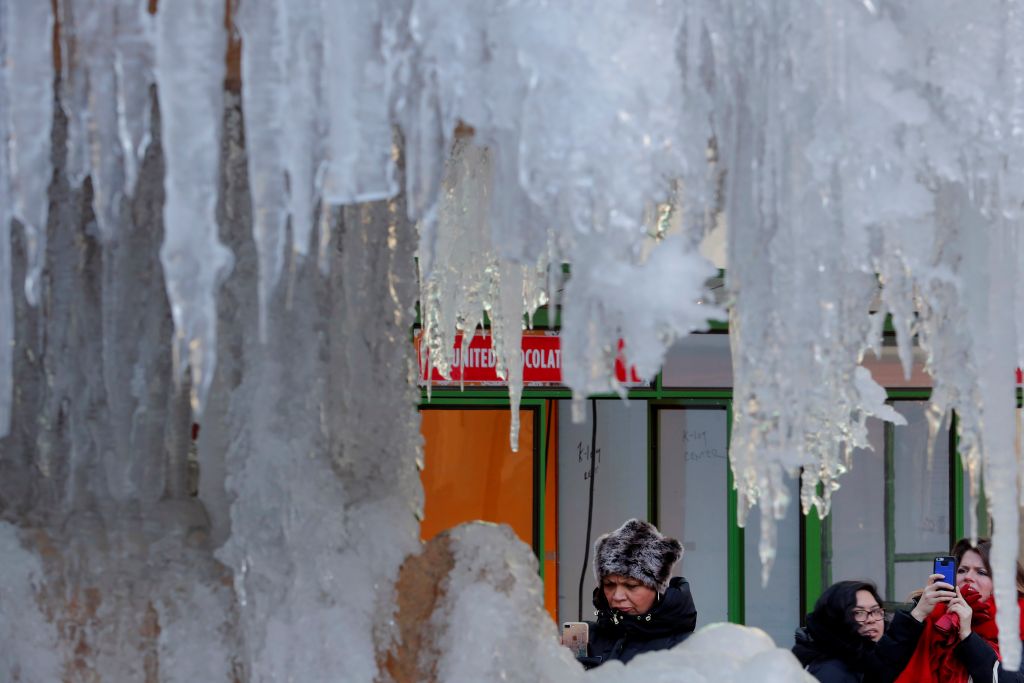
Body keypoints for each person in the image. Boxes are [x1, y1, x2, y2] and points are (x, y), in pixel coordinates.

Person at [895, 537, 1024, 683]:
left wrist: (968, 637)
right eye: (962, 570)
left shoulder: (1019, 623)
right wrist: (916, 616)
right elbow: (881, 670)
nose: (968, 577)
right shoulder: (928, 614)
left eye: (981, 572)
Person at [578, 518, 697, 668]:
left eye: (631, 585)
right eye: (609, 584)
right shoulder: (581, 636)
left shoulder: (686, 648)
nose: (617, 596)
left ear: (658, 588)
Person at [792, 579, 934, 682]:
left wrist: (918, 614)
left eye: (876, 611)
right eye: (858, 612)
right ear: (834, 619)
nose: (871, 619)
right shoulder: (832, 672)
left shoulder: (861, 662)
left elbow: (885, 660)